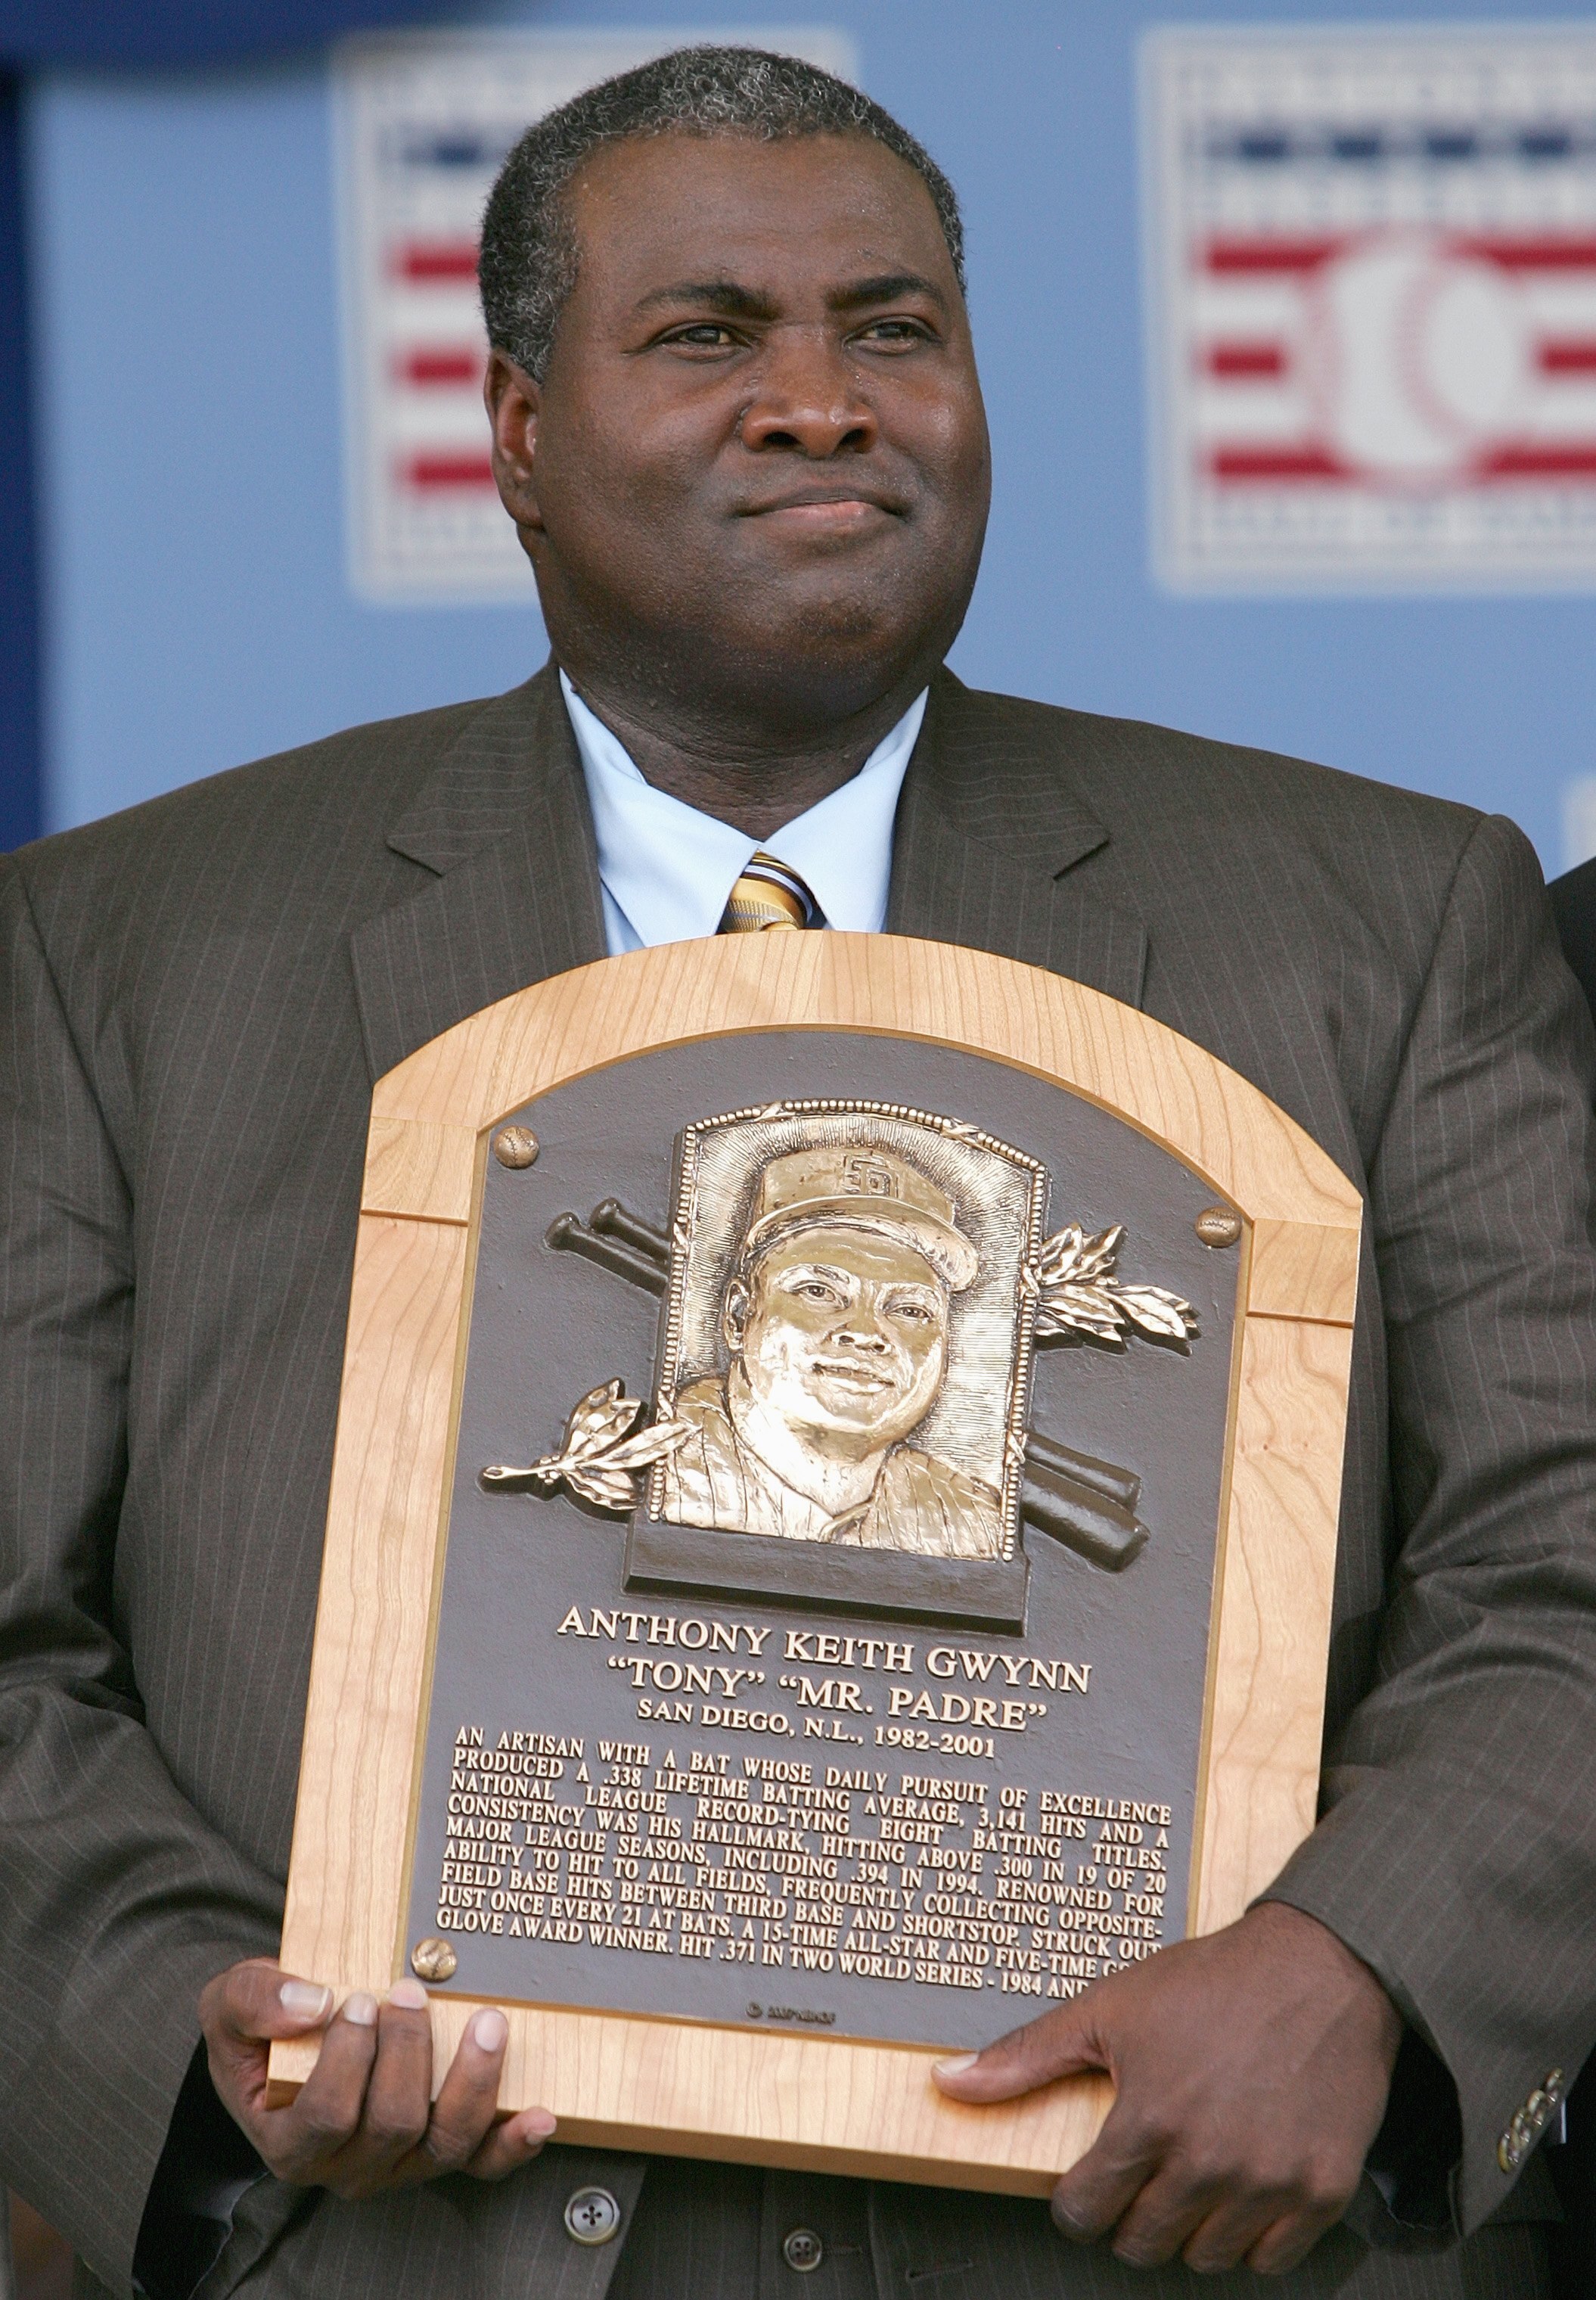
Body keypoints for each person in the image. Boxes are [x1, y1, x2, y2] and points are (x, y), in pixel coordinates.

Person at [2, 42, 1593, 2300]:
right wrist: (186, 2020)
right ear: (519, 434)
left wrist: (1362, 1959)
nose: (823, 399)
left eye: (894, 329)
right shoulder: (119, 950)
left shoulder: (1388, 915)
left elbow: (1564, 1544)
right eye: (709, 335)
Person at [658, 1141, 1007, 1557]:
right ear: (738, 1316)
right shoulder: (643, 1467)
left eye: (910, 1309)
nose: (865, 1333)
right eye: (818, 1291)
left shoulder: (976, 1527)